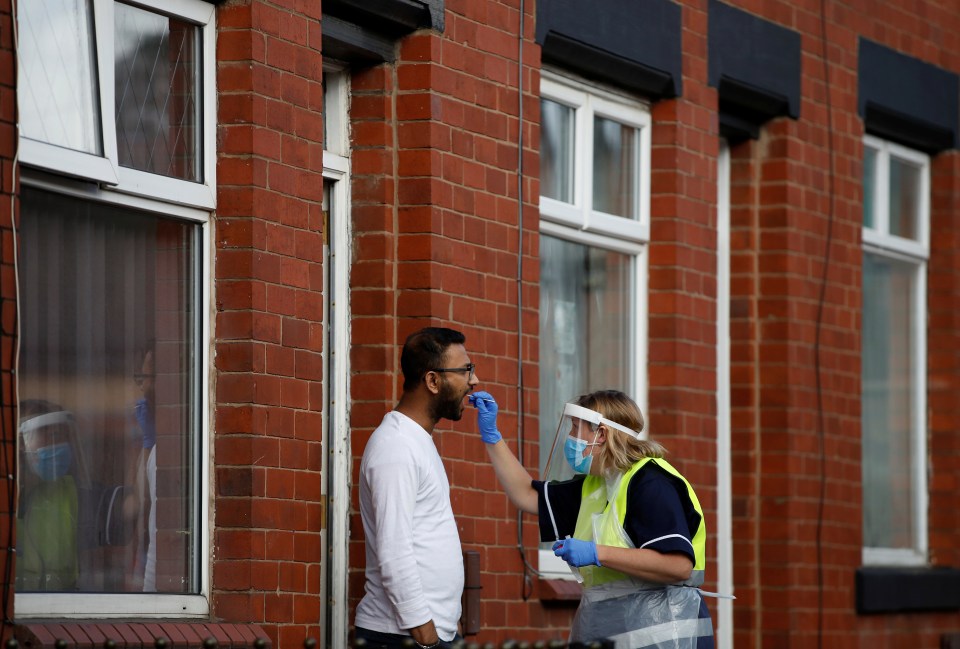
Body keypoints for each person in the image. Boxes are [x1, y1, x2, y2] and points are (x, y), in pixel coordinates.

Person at [471, 388, 716, 649]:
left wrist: (596, 553)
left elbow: (678, 565)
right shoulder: (597, 485)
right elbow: (526, 495)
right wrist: (492, 437)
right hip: (618, 631)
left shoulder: (650, 483)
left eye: (576, 428)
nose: (570, 437)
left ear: (601, 433)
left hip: (668, 634)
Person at [353, 327, 479, 649]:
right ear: (433, 381)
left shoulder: (416, 441)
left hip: (423, 634)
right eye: (465, 371)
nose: (473, 382)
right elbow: (394, 552)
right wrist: (427, 638)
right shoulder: (396, 446)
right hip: (401, 636)